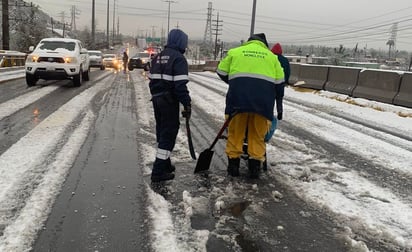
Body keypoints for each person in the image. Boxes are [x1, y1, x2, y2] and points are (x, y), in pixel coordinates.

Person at [216, 33, 284, 179]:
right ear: (264, 44)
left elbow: (221, 71)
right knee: (257, 135)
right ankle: (254, 169)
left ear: (249, 42)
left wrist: (236, 83)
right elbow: (280, 82)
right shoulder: (272, 57)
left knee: (235, 133)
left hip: (237, 100)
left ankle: (233, 167)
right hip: (263, 103)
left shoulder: (235, 52)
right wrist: (279, 106)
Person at [148, 29, 191, 182]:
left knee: (162, 131)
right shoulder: (178, 59)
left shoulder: (158, 57)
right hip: (169, 102)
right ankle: (158, 172)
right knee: (169, 134)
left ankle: (165, 164)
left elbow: (151, 80)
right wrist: (187, 103)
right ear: (181, 42)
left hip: (157, 100)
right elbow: (180, 86)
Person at [271, 43, 290, 120]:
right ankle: (280, 112)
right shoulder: (285, 60)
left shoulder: (271, 58)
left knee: (271, 98)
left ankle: (270, 113)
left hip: (271, 82)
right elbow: (288, 71)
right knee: (279, 98)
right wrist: (286, 80)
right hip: (281, 82)